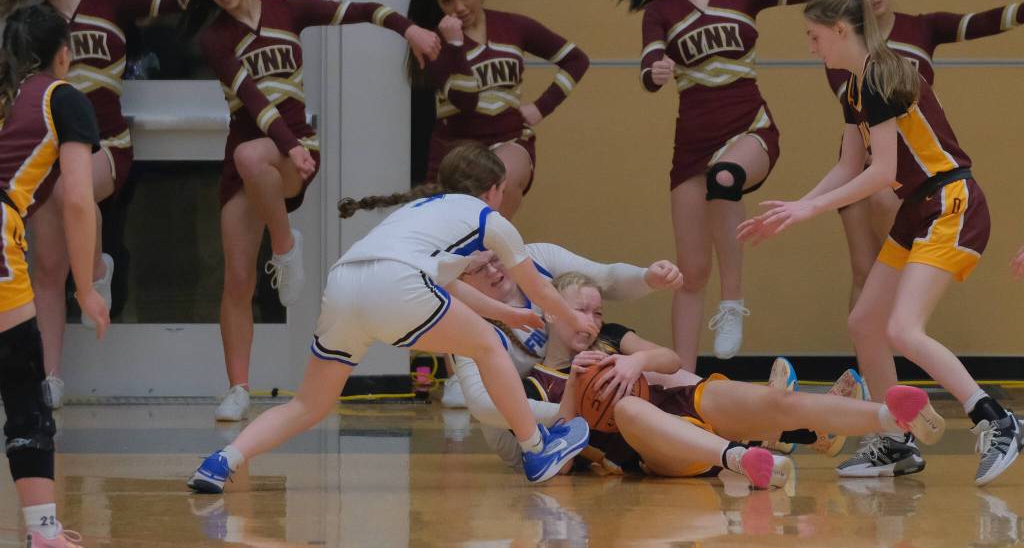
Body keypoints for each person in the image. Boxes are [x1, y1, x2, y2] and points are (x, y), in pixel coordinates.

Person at [186, 143, 593, 492]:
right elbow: (541, 289)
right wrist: (572, 320)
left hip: (345, 283)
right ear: (494, 191)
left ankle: (223, 460)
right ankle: (537, 450)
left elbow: (450, 287)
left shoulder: (422, 211)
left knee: (309, 404)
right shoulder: (489, 218)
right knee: (488, 345)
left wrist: (507, 313)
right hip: (398, 286)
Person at [739, 0, 1022, 485]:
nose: (811, 47)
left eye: (814, 35)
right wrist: (798, 206)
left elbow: (881, 170)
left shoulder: (880, 76)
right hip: (918, 210)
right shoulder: (853, 88)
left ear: (841, 31)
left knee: (903, 330)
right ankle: (898, 439)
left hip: (949, 203)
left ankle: (997, 420)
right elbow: (849, 165)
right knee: (866, 323)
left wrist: (811, 210)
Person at [180, 0, 440, 421]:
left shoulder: (289, 11)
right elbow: (252, 100)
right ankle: (238, 386)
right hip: (259, 155)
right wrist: (285, 143)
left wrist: (408, 28)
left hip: (295, 151)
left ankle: (284, 247)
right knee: (236, 277)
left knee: (252, 155)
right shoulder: (215, 39)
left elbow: (364, 10)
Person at [621, 0, 863, 368]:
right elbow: (649, 61)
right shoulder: (661, 10)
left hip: (749, 126)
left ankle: (732, 303)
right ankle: (683, 382)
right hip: (691, 140)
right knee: (689, 272)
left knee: (725, 177)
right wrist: (654, 71)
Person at [527, 273, 945, 490]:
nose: (591, 321)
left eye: (596, 313)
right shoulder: (535, 386)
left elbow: (670, 360)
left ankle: (891, 418)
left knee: (775, 401)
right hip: (653, 450)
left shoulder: (612, 337)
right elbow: (558, 467)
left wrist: (633, 364)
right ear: (548, 311)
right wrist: (578, 390)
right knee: (626, 406)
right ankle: (740, 459)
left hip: (683, 400)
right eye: (580, 310)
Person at [2, 0, 190, 408]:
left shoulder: (111, 2)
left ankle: (97, 265)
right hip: (49, 157)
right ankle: (50, 377)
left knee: (72, 188)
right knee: (46, 268)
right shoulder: (35, 29)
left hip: (106, 145)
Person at [822, 0, 1024, 309]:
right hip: (862, 166)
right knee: (863, 272)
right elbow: (864, 112)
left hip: (913, 171)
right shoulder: (843, 50)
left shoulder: (922, 28)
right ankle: (870, 362)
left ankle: (900, 336)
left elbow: (979, 22)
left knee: (892, 275)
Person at [0, 3, 110, 548]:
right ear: (64, 54)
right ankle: (43, 531)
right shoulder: (62, 97)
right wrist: (85, 286)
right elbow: (76, 197)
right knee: (23, 389)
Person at [449, 244, 686, 465]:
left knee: (670, 379)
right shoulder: (464, 322)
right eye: (479, 268)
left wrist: (646, 277)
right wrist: (574, 413)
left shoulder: (536, 258)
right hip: (523, 424)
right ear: (460, 281)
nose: (492, 270)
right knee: (622, 418)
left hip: (576, 390)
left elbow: (604, 277)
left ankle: (695, 434)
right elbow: (483, 404)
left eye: (496, 258)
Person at [408, 0, 590, 218]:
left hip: (510, 140)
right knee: (448, 234)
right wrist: (455, 45)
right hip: (455, 148)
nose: (458, 7)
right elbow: (465, 100)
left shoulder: (514, 27)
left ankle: (490, 253)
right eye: (447, 1)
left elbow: (576, 59)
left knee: (497, 180)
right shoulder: (434, 42)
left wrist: (540, 107)